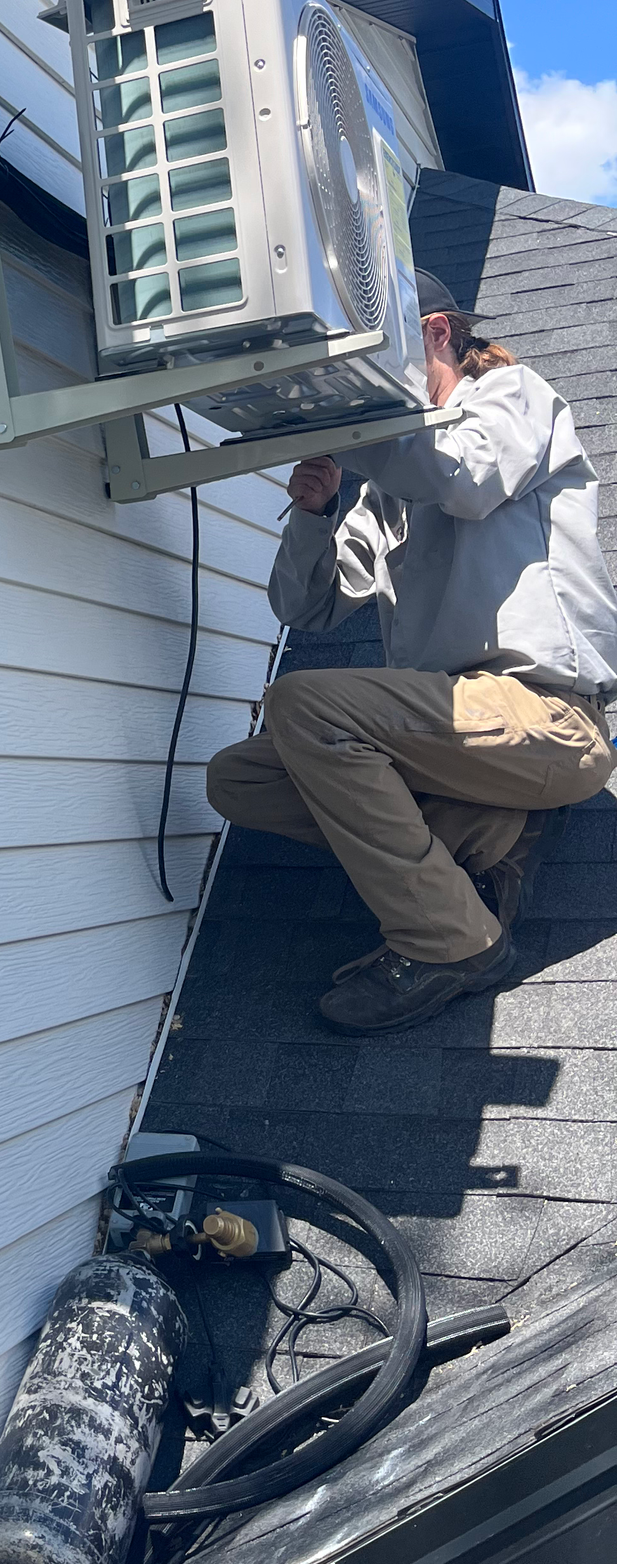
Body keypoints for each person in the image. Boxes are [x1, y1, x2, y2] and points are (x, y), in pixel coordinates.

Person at [205, 270, 617, 1034]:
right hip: (447, 734)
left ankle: (452, 941)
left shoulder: (510, 398)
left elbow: (458, 478)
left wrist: (354, 432)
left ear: (435, 334)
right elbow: (308, 604)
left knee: (304, 704)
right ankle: (490, 833)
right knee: (239, 779)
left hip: (548, 720)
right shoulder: (388, 486)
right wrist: (317, 513)